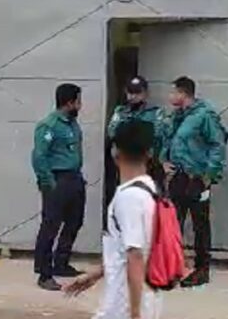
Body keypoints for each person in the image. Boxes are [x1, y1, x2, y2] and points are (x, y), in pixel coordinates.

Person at [64, 118, 162, 319]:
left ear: (115, 152)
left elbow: (135, 255)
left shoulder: (129, 197)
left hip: (122, 308)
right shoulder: (150, 190)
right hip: (144, 300)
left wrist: (135, 314)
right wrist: (97, 273)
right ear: (150, 153)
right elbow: (127, 250)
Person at [164, 76, 226, 287]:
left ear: (183, 93)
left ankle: (202, 269)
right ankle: (172, 269)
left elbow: (217, 144)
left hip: (197, 178)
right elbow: (169, 140)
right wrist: (164, 162)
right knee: (173, 224)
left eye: (173, 92)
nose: (170, 96)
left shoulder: (204, 116)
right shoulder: (177, 116)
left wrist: (209, 175)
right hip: (178, 176)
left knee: (200, 225)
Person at [32, 83, 86, 291]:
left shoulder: (72, 124)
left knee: (75, 221)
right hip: (57, 178)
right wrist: (48, 182)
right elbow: (39, 156)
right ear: (69, 102)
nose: (80, 105)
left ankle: (61, 263)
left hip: (74, 177)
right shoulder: (49, 125)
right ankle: (44, 273)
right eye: (78, 101)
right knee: (50, 225)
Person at [107, 76, 168, 195]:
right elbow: (112, 132)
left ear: (145, 93)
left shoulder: (156, 113)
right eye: (130, 92)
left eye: (137, 93)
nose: (133, 96)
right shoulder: (120, 112)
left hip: (150, 164)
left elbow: (161, 136)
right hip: (127, 163)